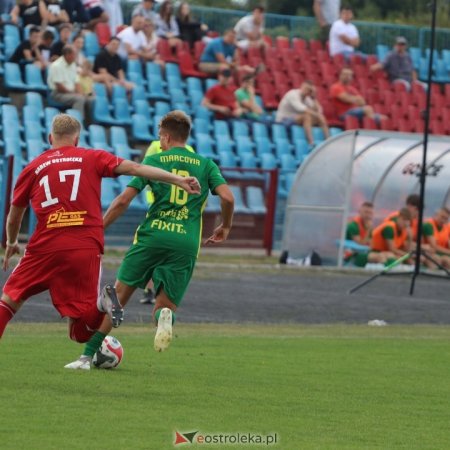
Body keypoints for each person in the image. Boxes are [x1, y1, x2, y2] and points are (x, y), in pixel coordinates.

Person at [0, 114, 201, 349]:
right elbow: (136, 168)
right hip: (85, 246)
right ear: (76, 139)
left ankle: (99, 307)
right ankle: (100, 305)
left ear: (49, 137)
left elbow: (14, 215)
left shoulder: (33, 167)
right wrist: (177, 179)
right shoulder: (93, 156)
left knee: (9, 301)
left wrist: (12, 241)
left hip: (45, 245)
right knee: (80, 333)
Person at [65, 110, 234, 369]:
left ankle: (86, 357)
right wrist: (225, 225)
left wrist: (98, 229)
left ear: (165, 137)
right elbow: (228, 198)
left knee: (118, 296)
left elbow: (123, 200)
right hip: (186, 241)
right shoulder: (206, 164)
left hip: (152, 235)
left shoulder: (155, 160)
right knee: (164, 305)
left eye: (159, 136)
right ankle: (164, 317)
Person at [139, 138, 195, 305]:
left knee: (154, 248)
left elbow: (144, 169)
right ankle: (153, 290)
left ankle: (156, 291)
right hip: (160, 204)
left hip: (168, 204)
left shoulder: (157, 146)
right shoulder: (187, 150)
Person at [276, 81, 330, 146]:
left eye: (309, 90)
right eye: (306, 88)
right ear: (301, 87)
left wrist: (314, 98)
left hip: (297, 119)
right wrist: (317, 114)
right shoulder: (293, 94)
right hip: (283, 120)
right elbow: (301, 108)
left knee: (321, 117)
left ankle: (328, 141)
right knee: (307, 116)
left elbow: (319, 111)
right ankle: (311, 143)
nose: (307, 91)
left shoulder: (307, 98)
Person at [47, 45, 89, 118]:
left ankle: (88, 124)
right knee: (79, 99)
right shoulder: (56, 66)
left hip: (70, 93)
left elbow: (77, 82)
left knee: (90, 99)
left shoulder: (73, 65)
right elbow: (59, 87)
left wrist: (81, 93)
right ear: (67, 55)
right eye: (74, 54)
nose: (76, 57)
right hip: (58, 94)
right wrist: (75, 93)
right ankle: (76, 124)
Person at [345, 202, 391, 266]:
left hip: (364, 253)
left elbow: (371, 245)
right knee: (380, 257)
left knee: (389, 255)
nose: (368, 215)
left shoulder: (368, 226)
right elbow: (360, 244)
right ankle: (385, 272)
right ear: (360, 212)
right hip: (353, 255)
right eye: (366, 212)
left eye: (370, 213)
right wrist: (368, 230)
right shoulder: (353, 225)